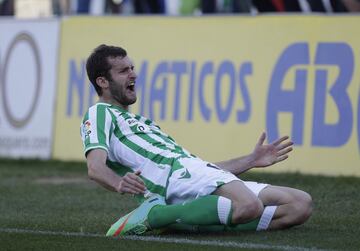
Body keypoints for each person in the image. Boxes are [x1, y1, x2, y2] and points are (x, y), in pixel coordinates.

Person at [80, 44, 312, 236]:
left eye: (132, 68)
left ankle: (180, 221)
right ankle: (155, 215)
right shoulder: (99, 113)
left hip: (191, 175)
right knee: (248, 206)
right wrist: (119, 184)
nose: (133, 74)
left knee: (299, 205)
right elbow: (95, 167)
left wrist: (251, 160)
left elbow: (202, 171)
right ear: (102, 82)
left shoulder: (144, 122)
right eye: (123, 71)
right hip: (172, 183)